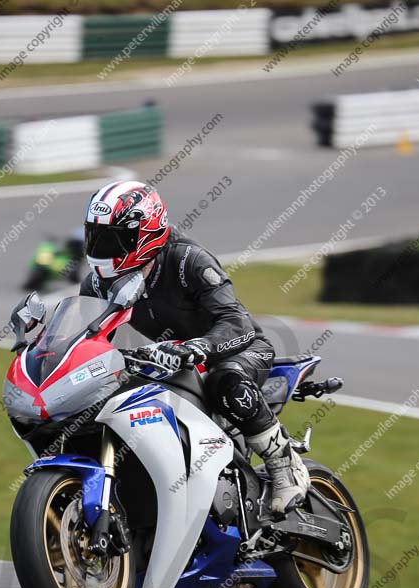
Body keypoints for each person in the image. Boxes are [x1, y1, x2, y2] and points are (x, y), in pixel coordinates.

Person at [80, 180, 310, 514]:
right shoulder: (99, 283)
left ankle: (284, 464)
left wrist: (197, 347)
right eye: (96, 237)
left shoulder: (188, 261)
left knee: (224, 380)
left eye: (113, 238)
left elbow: (238, 323)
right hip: (178, 358)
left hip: (239, 349)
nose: (102, 248)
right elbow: (89, 337)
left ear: (144, 233)